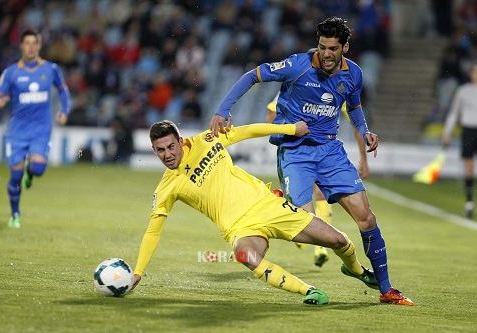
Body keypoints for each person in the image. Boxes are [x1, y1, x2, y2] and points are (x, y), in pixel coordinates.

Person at [209, 17, 413, 305]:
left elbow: (353, 108)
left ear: (345, 47)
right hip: (295, 151)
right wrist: (223, 110)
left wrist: (365, 132)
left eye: (332, 48)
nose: (326, 54)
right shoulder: (297, 65)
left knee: (366, 217)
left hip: (330, 151)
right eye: (322, 47)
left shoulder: (353, 74)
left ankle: (386, 289)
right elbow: (252, 76)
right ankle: (280, 204)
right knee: (302, 226)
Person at [132, 120, 379, 305]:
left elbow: (248, 131)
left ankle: (357, 270)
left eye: (170, 147)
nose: (167, 155)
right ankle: (308, 291)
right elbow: (153, 231)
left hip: (267, 206)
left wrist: (291, 129)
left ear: (180, 140)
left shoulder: (207, 140)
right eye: (160, 150)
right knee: (245, 256)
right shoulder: (167, 187)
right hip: (240, 229)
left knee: (337, 240)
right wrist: (138, 273)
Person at [266, 93, 369, 268]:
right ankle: (293, 215)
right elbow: (271, 115)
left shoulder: (336, 88)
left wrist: (363, 158)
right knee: (301, 209)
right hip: (296, 153)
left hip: (322, 151)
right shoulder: (296, 84)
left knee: (320, 193)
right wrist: (288, 130)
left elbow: (356, 122)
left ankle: (321, 248)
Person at [0, 29, 71, 228]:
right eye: (27, 43)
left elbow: (63, 90)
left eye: (34, 43)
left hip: (41, 129)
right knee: (15, 176)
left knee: (38, 168)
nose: (31, 47)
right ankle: (15, 214)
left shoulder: (50, 69)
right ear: (21, 46)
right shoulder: (11, 72)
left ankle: (31, 172)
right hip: (17, 131)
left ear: (39, 45)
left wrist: (64, 111)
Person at [442, 63, 477, 218]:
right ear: (471, 73)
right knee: (468, 166)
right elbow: (454, 112)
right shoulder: (463, 91)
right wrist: (447, 132)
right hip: (469, 130)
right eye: (475, 71)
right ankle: (469, 203)